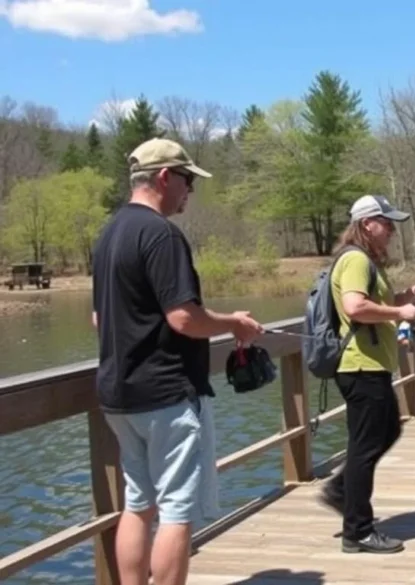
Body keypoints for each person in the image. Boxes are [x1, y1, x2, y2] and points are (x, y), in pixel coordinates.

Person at [91, 137, 264, 585]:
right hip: (166, 395)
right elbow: (184, 317)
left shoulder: (108, 235)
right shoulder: (161, 235)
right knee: (176, 511)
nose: (190, 191)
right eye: (187, 181)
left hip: (119, 396)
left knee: (137, 504)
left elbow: (98, 319)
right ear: (165, 177)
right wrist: (234, 323)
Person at [317, 194, 415, 554]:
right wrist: (399, 314)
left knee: (386, 430)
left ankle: (342, 492)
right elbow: (355, 307)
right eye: (386, 223)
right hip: (360, 364)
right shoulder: (355, 259)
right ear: (366, 223)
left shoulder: (365, 260)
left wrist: (410, 294)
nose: (391, 230)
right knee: (366, 446)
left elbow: (377, 301)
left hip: (370, 365)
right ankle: (358, 530)